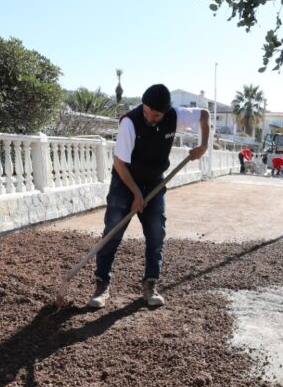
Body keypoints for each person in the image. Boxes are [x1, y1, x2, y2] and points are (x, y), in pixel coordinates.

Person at [87, 84, 209, 309]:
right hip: (124, 182)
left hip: (155, 181)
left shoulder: (175, 115)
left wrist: (203, 145)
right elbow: (119, 163)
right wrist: (135, 194)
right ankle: (101, 285)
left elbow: (204, 115)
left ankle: (150, 284)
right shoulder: (130, 123)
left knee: (156, 233)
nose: (149, 116)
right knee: (112, 231)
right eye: (146, 110)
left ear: (165, 112)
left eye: (155, 114)